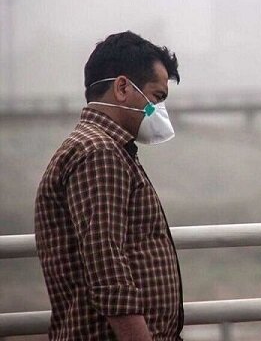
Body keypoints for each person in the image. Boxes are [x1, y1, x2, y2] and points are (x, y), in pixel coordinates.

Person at [35, 31, 184, 340]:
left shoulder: (106, 148)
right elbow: (106, 264)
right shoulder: (99, 153)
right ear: (122, 87)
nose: (159, 110)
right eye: (157, 97)